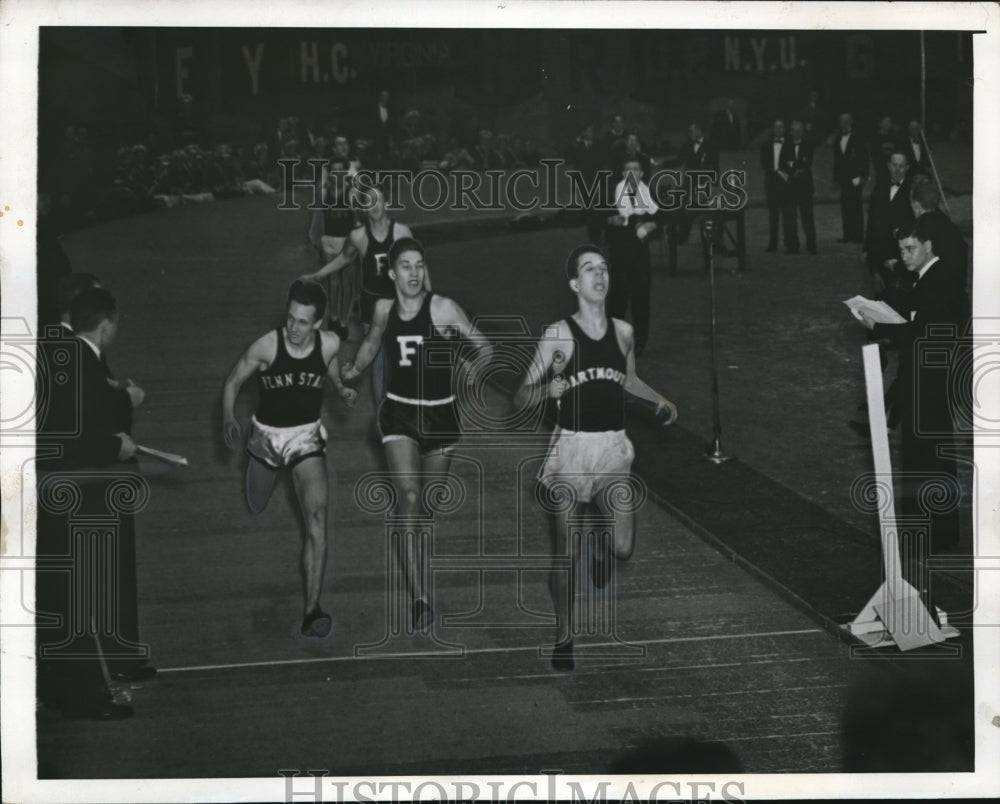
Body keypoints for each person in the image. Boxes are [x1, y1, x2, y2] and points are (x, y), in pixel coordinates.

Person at [514, 244, 677, 672]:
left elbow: (629, 379)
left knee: (623, 547)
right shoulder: (558, 335)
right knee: (565, 552)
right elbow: (520, 394)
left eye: (604, 269)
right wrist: (543, 392)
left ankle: (604, 544)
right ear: (574, 284)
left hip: (610, 447)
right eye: (590, 270)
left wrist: (656, 396)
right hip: (570, 447)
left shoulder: (623, 331)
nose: (599, 276)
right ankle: (564, 634)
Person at [341, 238, 491, 632]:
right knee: (407, 498)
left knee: (429, 502)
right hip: (399, 414)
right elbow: (373, 342)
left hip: (442, 416)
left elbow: (485, 347)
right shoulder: (384, 309)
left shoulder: (443, 307)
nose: (413, 273)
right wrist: (354, 368)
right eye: (405, 266)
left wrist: (474, 369)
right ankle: (421, 598)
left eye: (419, 265)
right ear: (392, 273)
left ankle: (419, 558)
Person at [221, 279, 358, 637]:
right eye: (290, 318)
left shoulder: (330, 342)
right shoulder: (267, 346)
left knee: (317, 513)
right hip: (266, 437)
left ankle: (312, 610)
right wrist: (228, 416)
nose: (293, 327)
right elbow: (234, 381)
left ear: (317, 323)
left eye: (302, 322)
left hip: (305, 436)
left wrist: (340, 387)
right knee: (256, 500)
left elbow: (328, 363)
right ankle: (257, 467)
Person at [36, 287, 149, 720]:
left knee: (61, 597)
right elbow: (72, 434)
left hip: (51, 489)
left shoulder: (61, 352)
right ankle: (82, 696)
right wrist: (114, 446)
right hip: (73, 493)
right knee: (75, 595)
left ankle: (64, 688)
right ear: (105, 326)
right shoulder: (77, 358)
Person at [855, 219, 969, 611]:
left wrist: (883, 327)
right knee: (922, 450)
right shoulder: (926, 276)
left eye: (909, 249)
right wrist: (880, 313)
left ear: (927, 245)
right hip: (924, 372)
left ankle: (936, 531)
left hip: (934, 374)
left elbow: (925, 328)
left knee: (930, 450)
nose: (903, 257)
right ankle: (928, 526)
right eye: (901, 250)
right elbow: (911, 314)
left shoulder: (941, 277)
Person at [302, 182, 428, 408]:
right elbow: (343, 259)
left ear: (386, 203)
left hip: (401, 303)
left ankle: (413, 405)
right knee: (378, 360)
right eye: (369, 202)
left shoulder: (401, 232)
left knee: (407, 358)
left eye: (378, 200)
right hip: (372, 305)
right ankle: (384, 416)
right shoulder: (358, 236)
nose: (374, 206)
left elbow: (420, 266)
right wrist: (318, 275)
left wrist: (429, 296)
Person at [606, 158, 659, 357]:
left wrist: (649, 227)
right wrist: (615, 221)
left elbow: (659, 218)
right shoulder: (613, 193)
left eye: (636, 169)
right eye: (627, 169)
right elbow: (600, 218)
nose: (632, 172)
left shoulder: (648, 193)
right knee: (618, 301)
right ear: (622, 174)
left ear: (642, 174)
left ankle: (639, 342)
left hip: (640, 256)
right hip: (620, 254)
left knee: (641, 299)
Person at [308, 156, 359, 340]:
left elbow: (357, 219)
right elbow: (317, 219)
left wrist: (358, 241)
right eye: (333, 170)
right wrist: (317, 240)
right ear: (329, 173)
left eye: (340, 170)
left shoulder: (352, 193)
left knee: (347, 282)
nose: (337, 174)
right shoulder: (323, 193)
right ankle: (334, 318)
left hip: (348, 241)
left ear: (345, 173)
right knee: (333, 282)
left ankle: (344, 322)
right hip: (329, 240)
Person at [864, 151, 916, 304]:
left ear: (907, 168)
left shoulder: (912, 193)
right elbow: (871, 222)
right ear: (888, 166)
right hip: (879, 252)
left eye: (901, 166)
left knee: (900, 299)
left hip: (901, 256)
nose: (897, 169)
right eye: (894, 165)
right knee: (880, 295)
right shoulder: (879, 188)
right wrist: (867, 250)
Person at [780, 120, 817, 255]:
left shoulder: (808, 146)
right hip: (790, 187)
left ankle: (812, 246)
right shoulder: (786, 146)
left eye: (799, 130)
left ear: (803, 132)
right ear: (791, 132)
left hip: (805, 187)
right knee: (790, 217)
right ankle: (792, 246)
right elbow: (782, 164)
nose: (797, 133)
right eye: (794, 130)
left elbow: (807, 163)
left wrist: (796, 169)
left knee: (807, 216)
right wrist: (795, 170)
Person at [832, 112, 869, 243]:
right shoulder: (838, 138)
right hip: (843, 178)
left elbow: (865, 157)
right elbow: (837, 160)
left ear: (851, 122)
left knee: (856, 206)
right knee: (845, 206)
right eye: (842, 121)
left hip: (855, 177)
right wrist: (835, 179)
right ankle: (847, 235)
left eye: (846, 121)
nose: (844, 123)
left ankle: (858, 235)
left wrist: (864, 175)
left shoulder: (858, 137)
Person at [760, 119, 793, 253]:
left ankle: (789, 243)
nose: (778, 130)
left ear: (784, 130)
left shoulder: (790, 145)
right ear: (773, 130)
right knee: (773, 215)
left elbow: (792, 162)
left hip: (786, 183)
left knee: (787, 214)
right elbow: (764, 164)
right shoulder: (766, 145)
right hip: (772, 183)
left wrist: (784, 172)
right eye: (776, 127)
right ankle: (773, 243)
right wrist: (776, 171)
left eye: (781, 127)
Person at [869, 115, 898, 188]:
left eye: (889, 122)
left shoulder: (894, 138)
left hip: (892, 169)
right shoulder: (875, 137)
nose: (887, 123)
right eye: (885, 121)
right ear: (880, 124)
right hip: (879, 169)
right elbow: (873, 155)